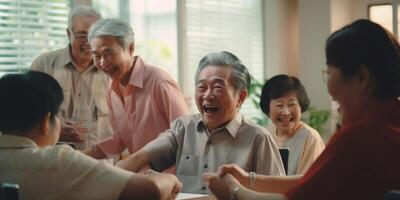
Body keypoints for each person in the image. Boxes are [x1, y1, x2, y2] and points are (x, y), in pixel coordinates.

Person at [204, 19, 400, 200]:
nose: (329, 85)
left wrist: (233, 191)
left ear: (362, 78)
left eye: (330, 72)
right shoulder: (388, 127)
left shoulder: (358, 139)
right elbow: (314, 181)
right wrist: (249, 180)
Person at [116, 51, 286, 194]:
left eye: (218, 88)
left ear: (240, 97)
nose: (208, 95)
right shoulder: (183, 128)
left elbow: (279, 195)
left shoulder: (258, 138)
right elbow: (139, 158)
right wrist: (103, 181)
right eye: (202, 87)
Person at [0, 71, 182, 200]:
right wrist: (166, 178)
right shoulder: (58, 162)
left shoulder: (156, 82)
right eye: (59, 115)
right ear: (45, 122)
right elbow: (152, 191)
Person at [84, 18, 189, 159]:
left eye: (109, 54)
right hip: (141, 175)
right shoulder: (111, 88)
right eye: (97, 56)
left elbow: (187, 137)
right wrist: (77, 157)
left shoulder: (159, 82)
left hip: (170, 176)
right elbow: (118, 140)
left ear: (130, 48)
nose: (103, 63)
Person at [31, 6, 111, 150]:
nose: (89, 42)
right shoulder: (43, 64)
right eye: (82, 36)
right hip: (52, 157)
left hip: (99, 159)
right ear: (69, 34)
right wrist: (54, 129)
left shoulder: (111, 69)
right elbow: (25, 111)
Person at [259, 74, 325, 175]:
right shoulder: (265, 135)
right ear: (268, 110)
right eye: (279, 105)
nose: (286, 112)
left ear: (301, 107)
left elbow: (308, 182)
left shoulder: (310, 137)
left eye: (291, 104)